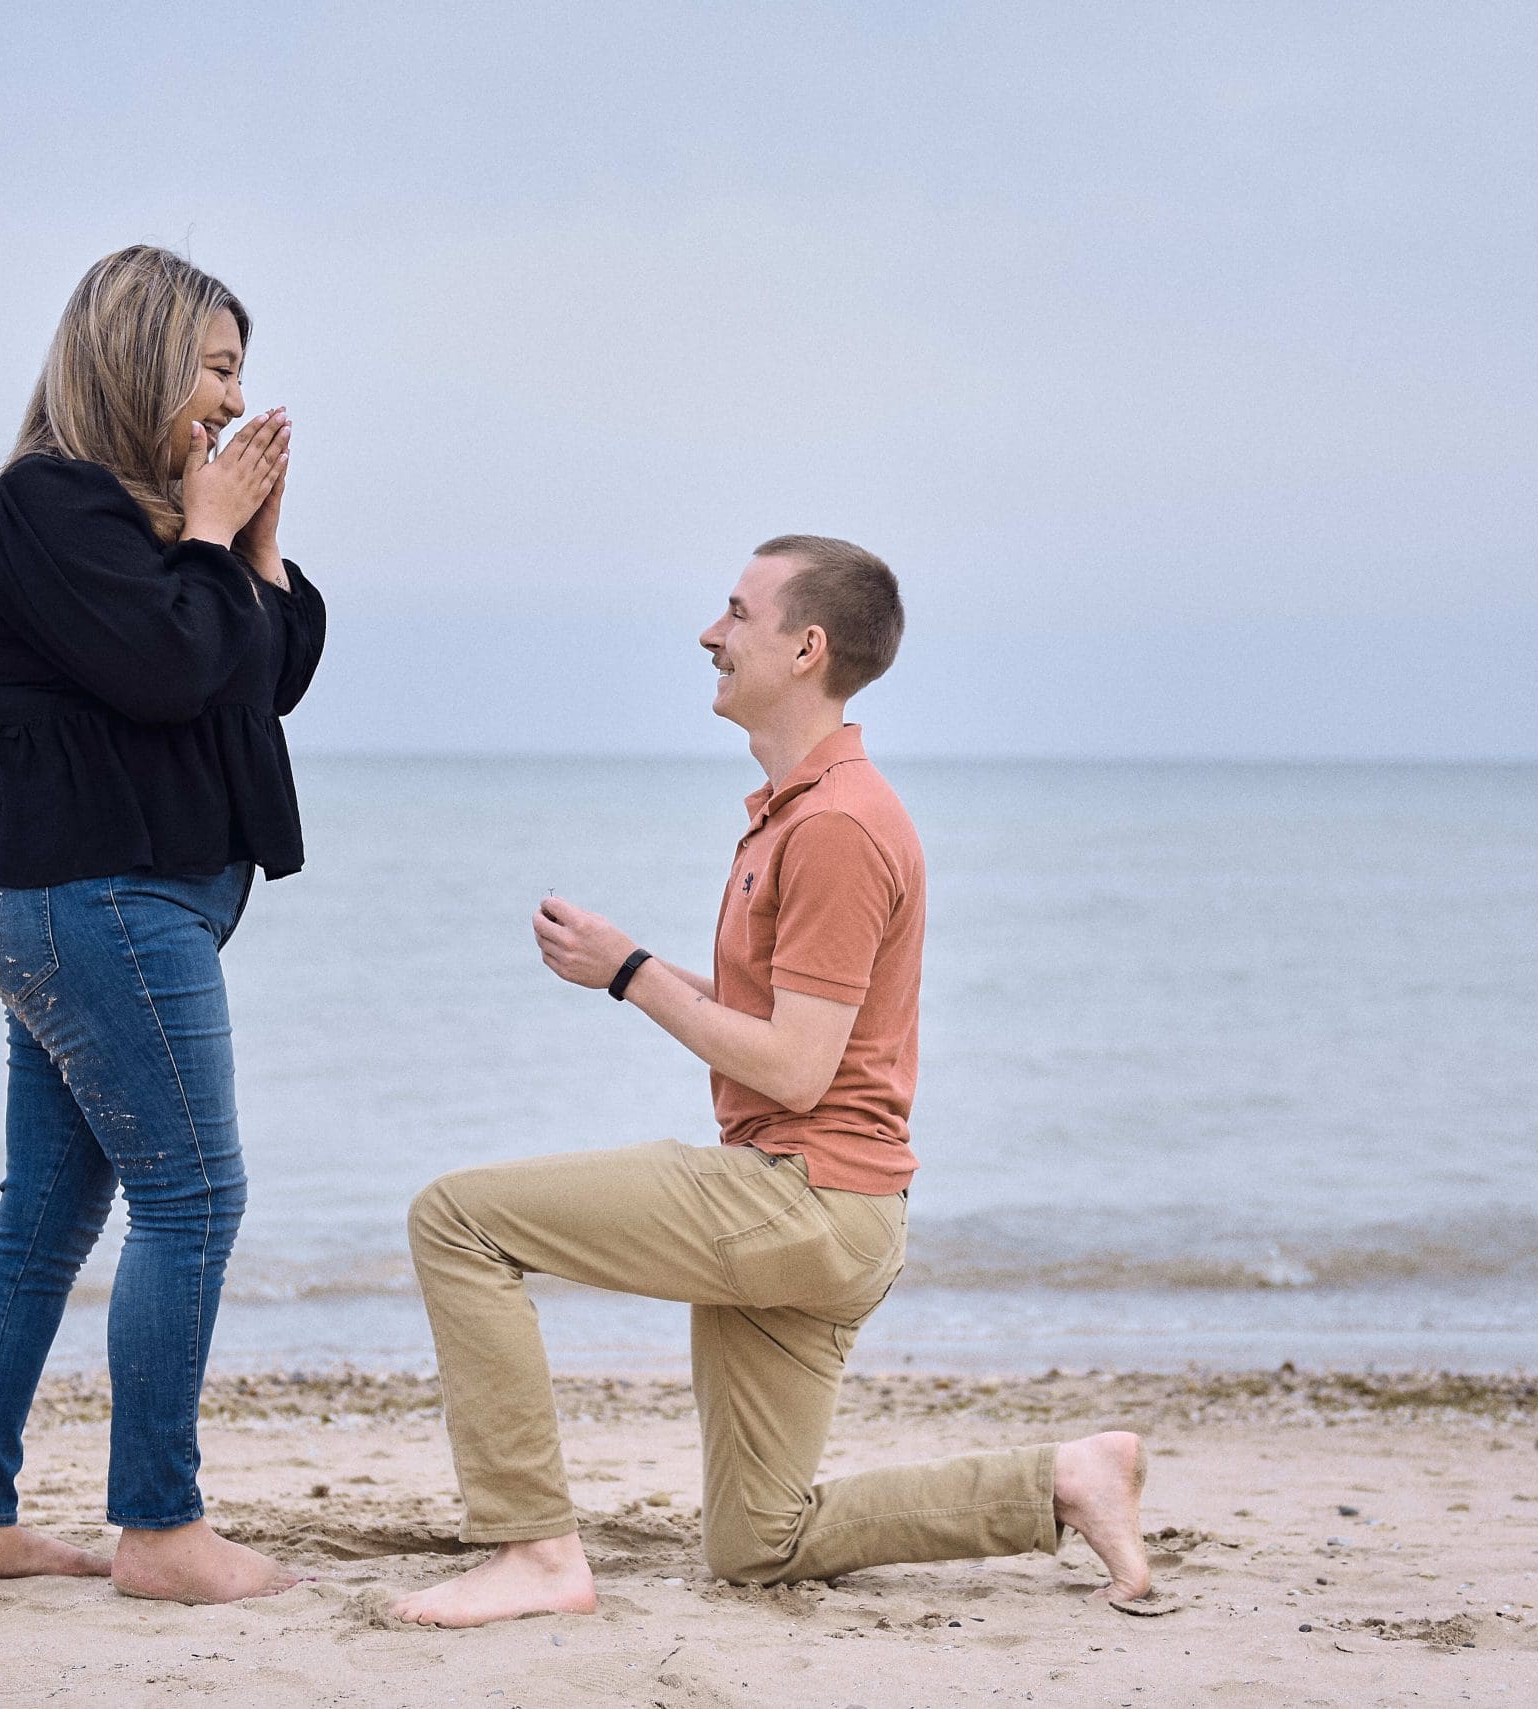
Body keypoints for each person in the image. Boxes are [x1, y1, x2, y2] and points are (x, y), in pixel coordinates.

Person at [393, 537, 1150, 1628]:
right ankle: (1061, 1477)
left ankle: (534, 1550)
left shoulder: (838, 821)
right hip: (832, 1208)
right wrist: (632, 959)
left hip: (807, 1195)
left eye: (735, 613)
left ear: (806, 647)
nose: (710, 632)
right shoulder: (799, 809)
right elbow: (792, 1024)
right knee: (760, 1543)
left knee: (458, 1218)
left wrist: (629, 975)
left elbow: (797, 1067)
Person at [0, 245, 326, 1605]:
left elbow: (262, 679)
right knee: (196, 1197)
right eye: (214, 367)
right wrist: (210, 538)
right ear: (143, 359)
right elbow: (168, 670)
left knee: (48, 1209)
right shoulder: (50, 507)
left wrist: (252, 544)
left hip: (99, 899)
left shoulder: (145, 523)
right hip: (91, 893)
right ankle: (159, 1527)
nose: (232, 396)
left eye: (238, 371)